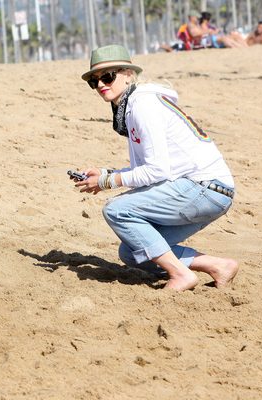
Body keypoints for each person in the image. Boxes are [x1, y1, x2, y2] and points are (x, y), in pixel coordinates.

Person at [73, 45, 239, 291]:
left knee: (117, 210)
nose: (100, 85)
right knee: (132, 251)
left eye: (107, 76)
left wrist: (107, 182)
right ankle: (217, 266)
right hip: (208, 191)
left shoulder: (142, 104)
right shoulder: (132, 105)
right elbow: (148, 168)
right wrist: (107, 174)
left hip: (205, 188)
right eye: (94, 81)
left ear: (128, 74)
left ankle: (180, 275)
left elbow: (157, 171)